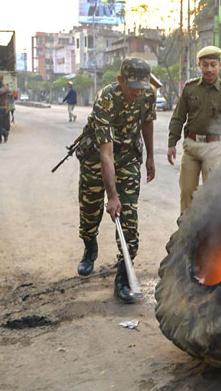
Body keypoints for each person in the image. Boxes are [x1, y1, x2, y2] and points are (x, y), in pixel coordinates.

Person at [74, 58, 156, 303]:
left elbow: (148, 122)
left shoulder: (147, 94)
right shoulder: (106, 99)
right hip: (96, 158)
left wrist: (151, 156)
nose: (138, 92)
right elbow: (105, 153)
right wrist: (112, 195)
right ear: (120, 80)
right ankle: (90, 246)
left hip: (128, 157)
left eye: (143, 86)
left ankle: (122, 276)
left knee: (128, 216)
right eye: (133, 87)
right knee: (90, 211)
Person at [167, 46, 221, 213]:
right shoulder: (190, 88)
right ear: (199, 65)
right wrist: (172, 143)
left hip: (213, 149)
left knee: (213, 194)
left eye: (213, 65)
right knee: (187, 192)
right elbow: (178, 117)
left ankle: (210, 233)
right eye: (205, 64)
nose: (209, 69)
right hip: (191, 147)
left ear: (219, 65)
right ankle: (184, 231)